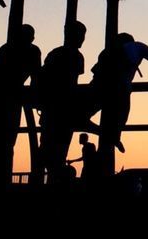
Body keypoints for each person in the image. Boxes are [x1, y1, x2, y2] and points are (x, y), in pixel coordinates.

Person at [89, 33, 148, 171]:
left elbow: (96, 72)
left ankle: (107, 134)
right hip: (119, 88)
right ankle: (114, 135)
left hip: (98, 87)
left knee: (82, 117)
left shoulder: (108, 51)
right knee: (121, 114)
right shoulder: (137, 47)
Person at [0, 23, 42, 183]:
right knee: (8, 140)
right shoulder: (32, 50)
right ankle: (2, 178)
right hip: (12, 97)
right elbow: (36, 77)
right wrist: (34, 97)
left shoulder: (6, 48)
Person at [37, 21, 88, 183]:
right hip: (63, 109)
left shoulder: (55, 54)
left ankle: (48, 181)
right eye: (81, 36)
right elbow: (73, 83)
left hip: (50, 108)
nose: (83, 39)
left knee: (47, 148)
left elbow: (42, 76)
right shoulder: (77, 57)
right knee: (59, 150)